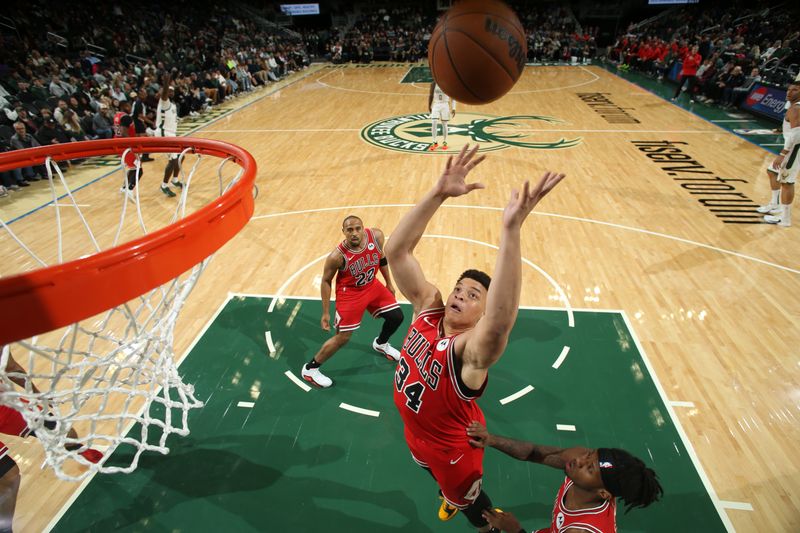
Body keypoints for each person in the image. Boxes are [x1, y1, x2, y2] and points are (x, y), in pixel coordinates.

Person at [385, 144, 566, 531]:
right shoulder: (428, 308)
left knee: (475, 508)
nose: (459, 296)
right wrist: (437, 194)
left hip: (454, 451)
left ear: (480, 315)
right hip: (415, 434)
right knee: (430, 474)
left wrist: (511, 230)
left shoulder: (469, 353)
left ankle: (483, 523)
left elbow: (500, 321)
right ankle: (447, 495)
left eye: (473, 296)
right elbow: (396, 252)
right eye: (459, 289)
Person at [466, 422, 663, 533]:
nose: (580, 461)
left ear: (603, 493)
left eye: (590, 467)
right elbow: (534, 452)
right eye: (589, 454)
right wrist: (491, 440)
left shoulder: (581, 531)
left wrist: (515, 530)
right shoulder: (581, 466)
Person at [0, 348, 102, 532]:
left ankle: (78, 450)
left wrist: (37, 394)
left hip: (3, 404)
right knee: (9, 476)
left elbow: (12, 367)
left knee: (62, 429)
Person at [300, 216, 404, 388]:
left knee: (397, 316)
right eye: (349, 230)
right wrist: (325, 312)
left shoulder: (376, 236)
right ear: (343, 232)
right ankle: (310, 369)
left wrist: (389, 283)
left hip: (372, 286)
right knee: (343, 337)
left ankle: (381, 344)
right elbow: (326, 281)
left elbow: (381, 257)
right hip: (350, 295)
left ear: (363, 228)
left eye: (357, 228)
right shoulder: (337, 256)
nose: (354, 233)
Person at [758, 82, 799, 227]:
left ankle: (785, 218)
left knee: (787, 182)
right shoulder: (793, 107)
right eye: (788, 89)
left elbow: (797, 134)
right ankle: (775, 205)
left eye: (795, 90)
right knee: (772, 171)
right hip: (791, 147)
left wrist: (783, 154)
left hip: (793, 150)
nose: (790, 92)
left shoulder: (797, 108)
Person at [154, 81, 184, 197]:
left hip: (171, 134)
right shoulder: (164, 102)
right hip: (164, 135)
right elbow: (164, 93)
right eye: (169, 90)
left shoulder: (172, 105)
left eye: (172, 91)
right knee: (172, 161)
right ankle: (164, 185)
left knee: (182, 155)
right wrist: (166, 81)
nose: (171, 92)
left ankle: (175, 180)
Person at [113, 101, 141, 200]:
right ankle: (129, 190)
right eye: (129, 106)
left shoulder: (117, 115)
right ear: (124, 106)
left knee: (133, 167)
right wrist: (134, 145)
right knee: (139, 169)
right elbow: (124, 133)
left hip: (118, 144)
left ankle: (124, 188)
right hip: (126, 146)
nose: (130, 108)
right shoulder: (126, 117)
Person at [429, 82, 456, 151]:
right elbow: (431, 95)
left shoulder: (448, 83)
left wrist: (453, 108)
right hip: (436, 104)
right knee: (434, 122)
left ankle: (445, 142)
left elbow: (453, 97)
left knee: (444, 124)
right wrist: (429, 105)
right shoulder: (433, 84)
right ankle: (434, 142)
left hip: (445, 105)